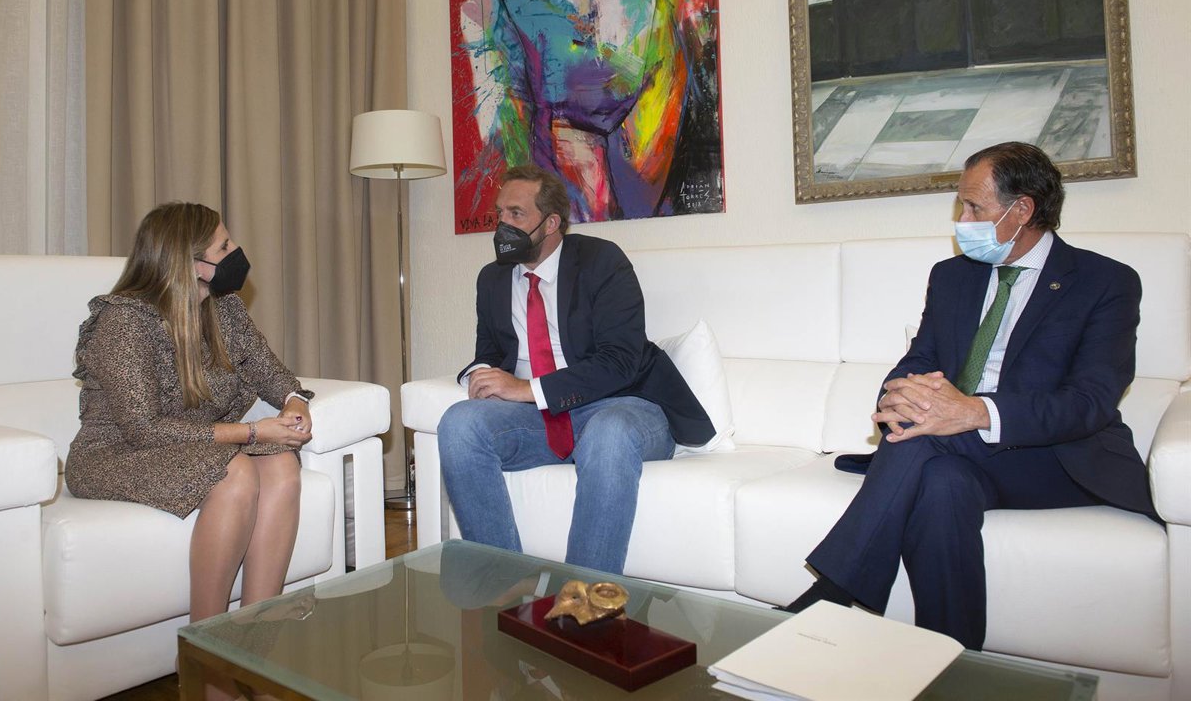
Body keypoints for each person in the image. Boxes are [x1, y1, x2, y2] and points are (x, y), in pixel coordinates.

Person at [780, 142, 1158, 650]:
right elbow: (920, 359)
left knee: (924, 438)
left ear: (1021, 210)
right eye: (962, 206)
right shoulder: (952, 277)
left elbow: (1090, 402)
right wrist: (900, 396)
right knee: (942, 483)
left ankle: (832, 591)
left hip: (1055, 458)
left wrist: (976, 412)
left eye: (974, 207)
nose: (962, 220)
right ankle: (950, 657)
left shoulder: (1104, 282)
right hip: (960, 456)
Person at [65, 202, 314, 696]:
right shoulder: (123, 321)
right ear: (189, 263)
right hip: (115, 454)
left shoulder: (224, 308)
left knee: (283, 466)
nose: (236, 253)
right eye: (224, 246)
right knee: (236, 473)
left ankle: (257, 653)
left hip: (196, 445)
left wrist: (294, 403)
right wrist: (251, 432)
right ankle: (208, 665)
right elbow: (143, 429)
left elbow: (272, 374)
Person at [438, 165, 713, 573]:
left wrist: (527, 388)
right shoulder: (493, 279)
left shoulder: (602, 262)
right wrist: (482, 375)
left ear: (551, 223)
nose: (502, 226)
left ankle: (584, 600)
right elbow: (490, 351)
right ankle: (504, 589)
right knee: (459, 424)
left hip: (624, 405)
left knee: (608, 432)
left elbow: (620, 361)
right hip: (541, 419)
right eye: (500, 214)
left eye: (516, 214)